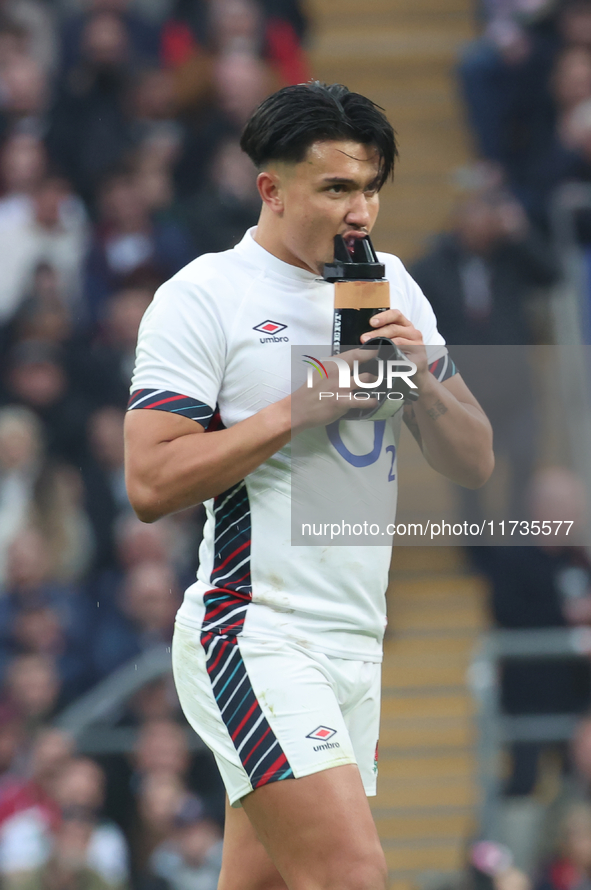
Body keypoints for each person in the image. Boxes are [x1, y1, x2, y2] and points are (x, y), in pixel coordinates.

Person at [124, 82, 494, 890]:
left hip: (356, 644)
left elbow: (474, 460)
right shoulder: (205, 296)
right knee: (350, 875)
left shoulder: (390, 283)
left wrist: (423, 381)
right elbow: (150, 480)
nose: (359, 211)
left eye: (369, 189)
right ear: (272, 189)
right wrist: (301, 406)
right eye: (335, 189)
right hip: (255, 632)